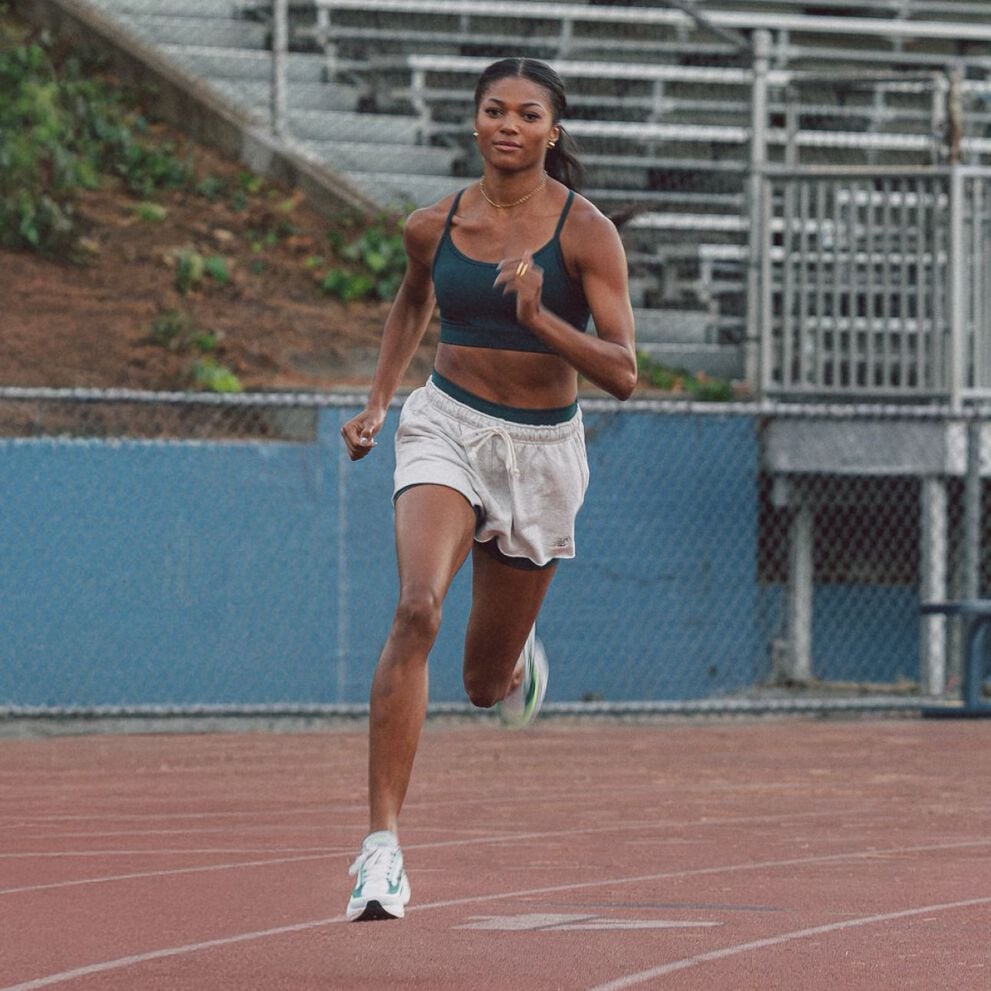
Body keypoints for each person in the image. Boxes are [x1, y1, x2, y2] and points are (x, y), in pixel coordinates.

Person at [339, 57, 637, 922]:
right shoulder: (431, 226)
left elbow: (624, 372)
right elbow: (410, 304)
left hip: (542, 453)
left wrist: (542, 320)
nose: (509, 124)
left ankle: (515, 668)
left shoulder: (587, 235)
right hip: (447, 424)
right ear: (474, 124)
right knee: (416, 609)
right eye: (493, 110)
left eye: (528, 113)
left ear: (553, 131)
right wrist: (378, 402)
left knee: (477, 680)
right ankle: (380, 849)